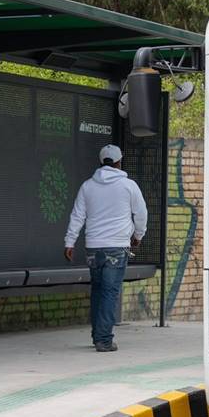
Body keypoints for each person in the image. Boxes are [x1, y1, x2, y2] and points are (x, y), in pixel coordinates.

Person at [64, 144, 148, 352]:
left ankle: (97, 335)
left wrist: (69, 242)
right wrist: (138, 236)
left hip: (93, 247)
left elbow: (77, 216)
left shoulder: (87, 186)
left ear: (101, 161)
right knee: (110, 292)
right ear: (119, 162)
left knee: (98, 290)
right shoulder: (129, 186)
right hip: (117, 247)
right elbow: (141, 214)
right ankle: (103, 339)